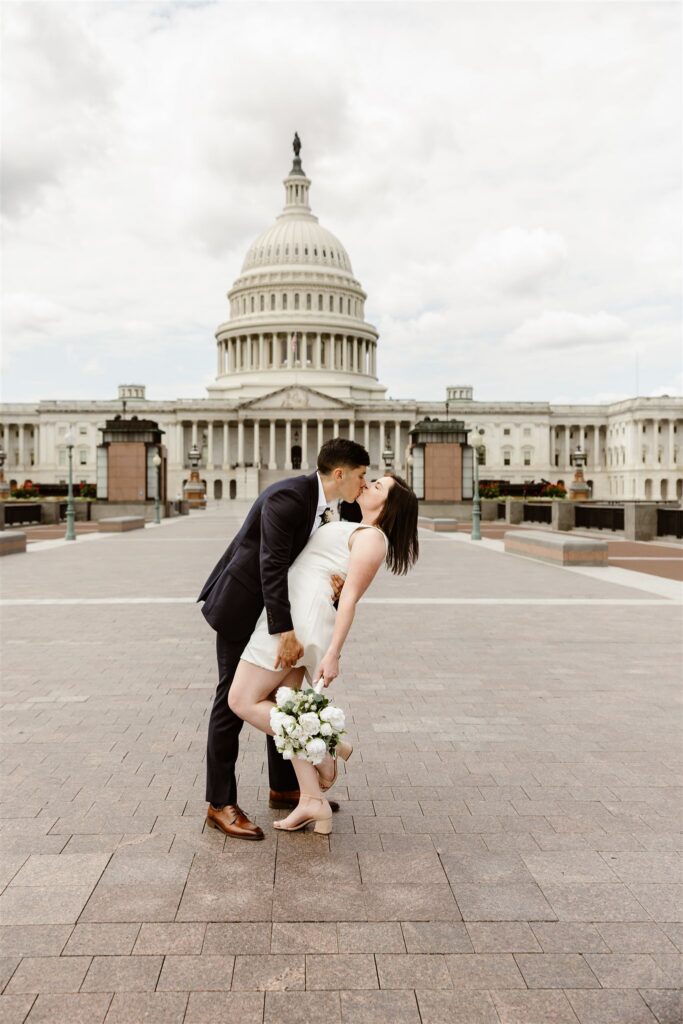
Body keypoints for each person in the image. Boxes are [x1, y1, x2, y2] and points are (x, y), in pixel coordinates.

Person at [198, 438, 370, 840]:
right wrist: (285, 631)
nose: (365, 483)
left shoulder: (334, 506)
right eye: (361, 475)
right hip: (244, 605)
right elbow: (270, 563)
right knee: (231, 701)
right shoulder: (288, 497)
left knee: (282, 698)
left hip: (279, 608)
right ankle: (219, 802)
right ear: (340, 474)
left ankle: (284, 787)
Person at [228, 473, 419, 835]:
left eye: (378, 487)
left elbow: (349, 600)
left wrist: (334, 654)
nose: (369, 484)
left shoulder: (373, 538)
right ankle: (312, 799)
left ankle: (326, 748)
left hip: (298, 622)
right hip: (298, 612)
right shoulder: (356, 528)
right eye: (372, 479)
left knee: (241, 700)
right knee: (284, 705)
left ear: (389, 506)